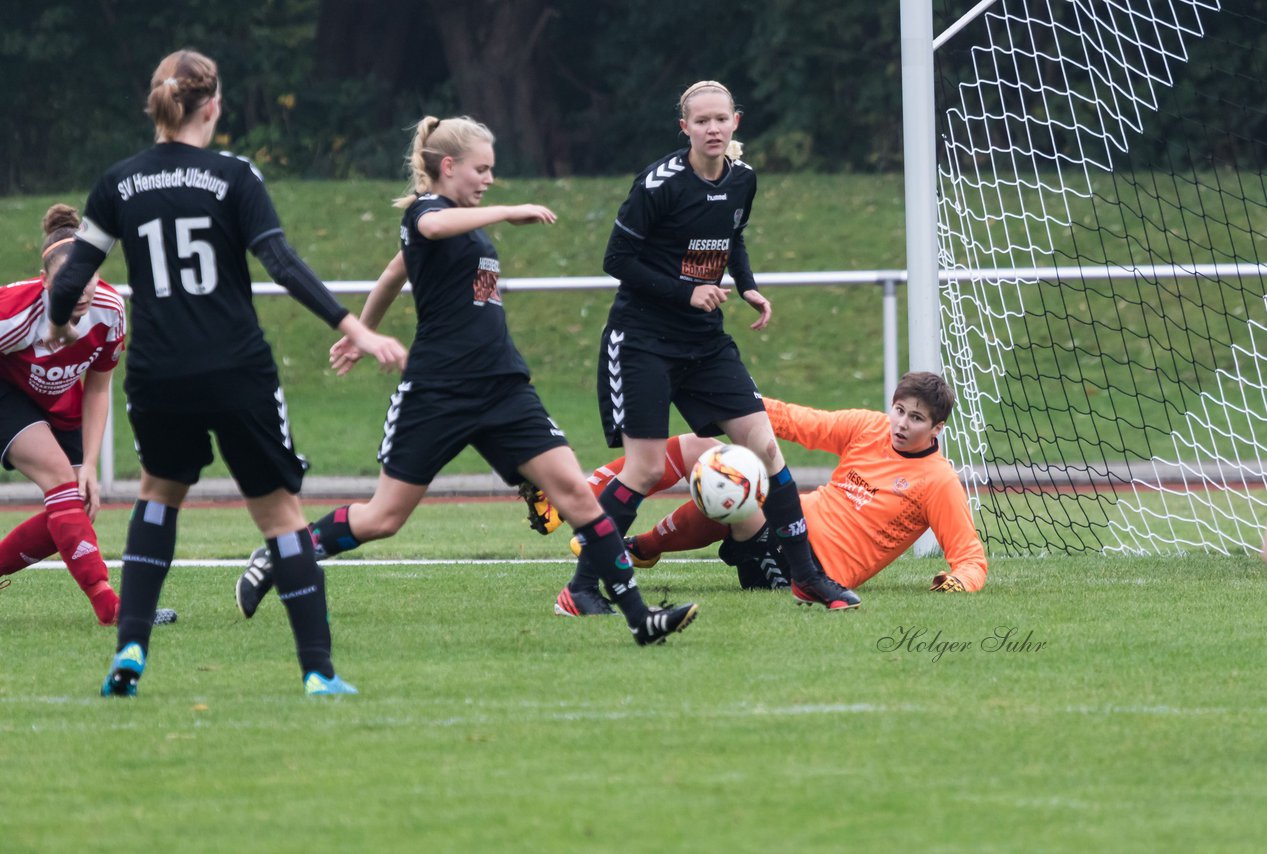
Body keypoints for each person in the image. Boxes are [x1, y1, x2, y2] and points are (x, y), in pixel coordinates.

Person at [232, 115, 698, 646]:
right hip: (438, 391)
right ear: (447, 167)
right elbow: (421, 239)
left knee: (576, 495)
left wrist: (362, 329)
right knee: (384, 518)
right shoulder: (426, 215)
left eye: (492, 171)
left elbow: (391, 276)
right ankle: (281, 553)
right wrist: (362, 334)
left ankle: (641, 619)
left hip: (504, 387)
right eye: (482, 169)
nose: (490, 180)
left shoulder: (467, 219)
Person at [48, 49, 407, 697]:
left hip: (159, 373)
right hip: (236, 368)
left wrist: (60, 326)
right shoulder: (233, 176)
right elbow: (282, 262)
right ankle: (318, 673)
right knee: (280, 517)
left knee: (158, 497)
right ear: (212, 106)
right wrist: (352, 327)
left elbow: (70, 278)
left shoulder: (119, 182)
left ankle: (131, 647)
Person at [583, 78, 857, 610]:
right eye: (701, 121)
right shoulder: (660, 184)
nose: (712, 128)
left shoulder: (743, 180)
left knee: (767, 448)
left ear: (736, 122)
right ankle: (584, 585)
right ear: (684, 127)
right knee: (641, 469)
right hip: (642, 340)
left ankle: (805, 576)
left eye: (721, 119)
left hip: (704, 344)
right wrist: (688, 293)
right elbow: (616, 261)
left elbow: (732, 235)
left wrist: (747, 284)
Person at [563, 372, 987, 594]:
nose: (901, 424)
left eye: (916, 419)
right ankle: (636, 543)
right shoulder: (869, 427)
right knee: (701, 446)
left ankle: (627, 541)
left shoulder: (938, 480)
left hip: (805, 570)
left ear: (937, 429)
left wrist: (960, 581)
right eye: (899, 411)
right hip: (785, 528)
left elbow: (969, 557)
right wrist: (735, 402)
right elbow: (798, 421)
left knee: (733, 479)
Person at [0, 204, 176, 626]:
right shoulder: (13, 314)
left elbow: (97, 386)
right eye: (66, 282)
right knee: (61, 482)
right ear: (44, 282)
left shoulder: (111, 312)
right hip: (7, 395)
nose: (79, 291)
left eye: (88, 278)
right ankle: (112, 608)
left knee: (76, 501)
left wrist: (92, 465)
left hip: (60, 404)